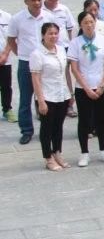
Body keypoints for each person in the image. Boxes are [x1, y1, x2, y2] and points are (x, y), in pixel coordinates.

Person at [2, 0, 52, 144]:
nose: (37, 3)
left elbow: (54, 37)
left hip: (46, 61)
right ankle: (26, 130)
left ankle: (47, 129)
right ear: (26, 1)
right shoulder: (17, 18)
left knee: (48, 96)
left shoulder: (48, 17)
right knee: (25, 97)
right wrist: (21, 54)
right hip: (26, 63)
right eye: (33, 0)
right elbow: (11, 39)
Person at [67, 11, 104, 166]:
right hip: (83, 87)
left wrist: (102, 85)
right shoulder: (75, 43)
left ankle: (103, 150)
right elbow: (74, 68)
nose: (89, 25)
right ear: (80, 24)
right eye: (85, 22)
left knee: (102, 119)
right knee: (84, 121)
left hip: (102, 86)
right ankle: (84, 153)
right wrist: (86, 88)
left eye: (91, 22)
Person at [30, 22, 74, 171]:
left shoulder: (61, 49)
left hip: (62, 94)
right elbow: (35, 78)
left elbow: (65, 73)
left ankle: (57, 152)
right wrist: (40, 100)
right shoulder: (37, 54)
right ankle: (48, 157)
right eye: (50, 33)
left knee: (58, 127)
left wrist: (70, 92)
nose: (53, 36)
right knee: (47, 128)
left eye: (56, 33)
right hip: (47, 96)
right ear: (43, 35)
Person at [0, 7, 12, 123]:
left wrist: (5, 54)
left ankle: (7, 109)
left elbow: (11, 38)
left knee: (6, 86)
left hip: (4, 58)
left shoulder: (7, 17)